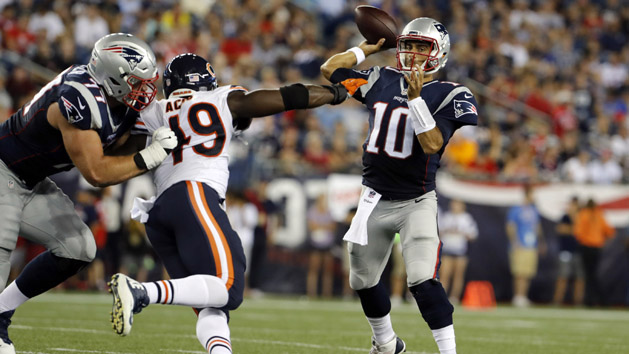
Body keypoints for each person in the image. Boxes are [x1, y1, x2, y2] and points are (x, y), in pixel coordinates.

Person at [107, 53, 348, 352]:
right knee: (230, 288)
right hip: (194, 195)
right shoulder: (222, 98)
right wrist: (336, 93)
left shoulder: (154, 110)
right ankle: (142, 291)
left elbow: (116, 150)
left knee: (212, 302)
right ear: (205, 81)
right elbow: (289, 97)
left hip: (161, 212)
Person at [0, 33, 177, 354]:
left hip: (32, 179)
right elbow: (96, 172)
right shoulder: (78, 97)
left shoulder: (118, 100)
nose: (147, 90)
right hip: (3, 169)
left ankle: (1, 311)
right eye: (138, 82)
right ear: (113, 78)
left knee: (78, 248)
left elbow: (123, 145)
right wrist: (152, 155)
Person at [321, 17, 478, 354]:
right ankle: (386, 342)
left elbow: (434, 143)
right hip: (373, 198)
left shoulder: (451, 93)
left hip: (416, 201)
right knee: (361, 280)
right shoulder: (380, 78)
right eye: (408, 45)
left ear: (439, 52)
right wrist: (365, 48)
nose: (413, 53)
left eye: (422, 46)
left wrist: (417, 100)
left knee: (422, 278)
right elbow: (331, 69)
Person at [506, 184, 545, 308]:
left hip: (531, 244)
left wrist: (540, 242)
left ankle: (523, 296)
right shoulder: (517, 209)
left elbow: (536, 227)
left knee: (528, 272)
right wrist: (515, 241)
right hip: (520, 243)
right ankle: (517, 296)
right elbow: (510, 226)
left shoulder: (534, 210)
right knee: (519, 272)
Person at [573, 198, 615, 307]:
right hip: (596, 248)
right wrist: (601, 240)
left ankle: (594, 300)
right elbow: (610, 232)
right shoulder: (599, 214)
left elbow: (578, 233)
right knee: (593, 274)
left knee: (589, 275)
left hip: (587, 247)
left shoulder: (583, 214)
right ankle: (597, 300)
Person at [438, 199, 478, 304]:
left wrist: (463, 233)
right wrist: (448, 231)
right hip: (447, 250)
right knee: (444, 275)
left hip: (460, 251)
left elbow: (473, 235)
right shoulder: (446, 217)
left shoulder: (467, 218)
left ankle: (454, 297)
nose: (455, 206)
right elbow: (439, 232)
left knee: (458, 276)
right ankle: (442, 296)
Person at [553, 196, 585, 306]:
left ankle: (578, 302)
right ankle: (557, 301)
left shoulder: (582, 216)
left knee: (580, 278)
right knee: (563, 276)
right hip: (565, 251)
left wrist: (572, 229)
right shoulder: (565, 217)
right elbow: (561, 229)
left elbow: (582, 232)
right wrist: (575, 229)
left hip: (579, 251)